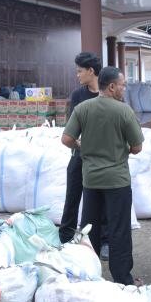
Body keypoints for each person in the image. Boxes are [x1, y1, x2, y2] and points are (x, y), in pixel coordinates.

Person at [61, 66, 144, 286]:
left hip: (90, 179)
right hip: (117, 180)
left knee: (89, 229)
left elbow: (66, 139)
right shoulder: (124, 111)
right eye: (123, 84)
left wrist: (83, 146)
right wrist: (121, 149)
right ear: (112, 86)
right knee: (119, 229)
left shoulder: (83, 108)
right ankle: (122, 278)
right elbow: (137, 147)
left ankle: (89, 275)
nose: (124, 89)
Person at [59, 52, 103, 245]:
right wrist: (78, 144)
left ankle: (103, 240)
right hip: (80, 154)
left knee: (101, 201)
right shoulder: (78, 95)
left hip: (103, 157)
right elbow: (71, 127)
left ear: (91, 71)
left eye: (79, 71)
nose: (77, 75)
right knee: (72, 196)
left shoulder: (107, 92)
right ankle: (65, 238)